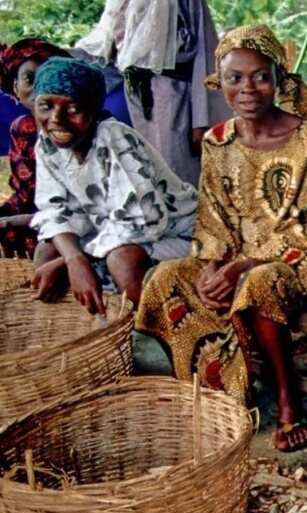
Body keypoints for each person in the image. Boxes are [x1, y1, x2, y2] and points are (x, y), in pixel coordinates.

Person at [135, 25, 307, 453]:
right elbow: (212, 216)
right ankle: (210, 394)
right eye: (234, 78)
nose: (248, 88)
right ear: (219, 83)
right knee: (165, 279)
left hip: (295, 261)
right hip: (230, 258)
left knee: (260, 284)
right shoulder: (217, 141)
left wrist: (244, 267)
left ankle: (287, 400)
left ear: (279, 79)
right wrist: (211, 267)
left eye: (261, 76)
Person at [29, 57, 195, 314]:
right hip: (112, 235)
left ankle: (157, 332)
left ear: (93, 110)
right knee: (47, 251)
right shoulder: (48, 144)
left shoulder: (113, 137)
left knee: (122, 260)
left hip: (178, 234)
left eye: (73, 109)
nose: (56, 119)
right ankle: (84, 332)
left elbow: (144, 222)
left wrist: (73, 260)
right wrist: (72, 258)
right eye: (45, 106)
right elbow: (54, 211)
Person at [75, 0, 229, 186]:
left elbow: (205, 53)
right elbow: (103, 47)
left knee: (177, 175)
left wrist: (201, 120)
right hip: (133, 98)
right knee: (141, 175)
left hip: (175, 101)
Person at [0, 39, 68, 257]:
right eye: (30, 79)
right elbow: (24, 197)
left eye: (48, 78)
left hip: (73, 222)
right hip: (33, 215)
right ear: (15, 89)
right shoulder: (23, 128)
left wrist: (12, 221)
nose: (41, 88)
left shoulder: (81, 126)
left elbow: (77, 206)